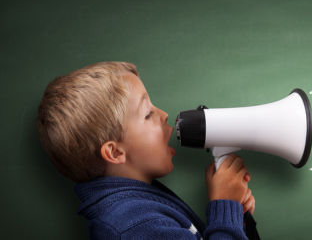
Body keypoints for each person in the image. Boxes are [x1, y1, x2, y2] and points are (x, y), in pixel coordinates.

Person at [36, 61, 255, 239]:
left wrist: (236, 219)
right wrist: (225, 207)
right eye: (147, 114)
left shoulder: (140, 206)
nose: (164, 114)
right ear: (115, 153)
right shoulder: (132, 227)